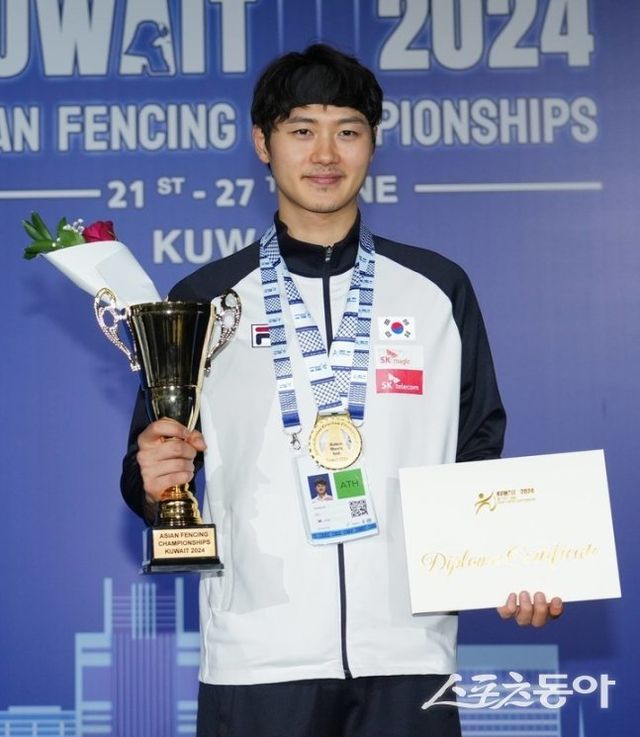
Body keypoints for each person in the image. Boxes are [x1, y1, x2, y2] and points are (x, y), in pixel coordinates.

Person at [121, 44, 563, 737]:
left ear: (373, 143)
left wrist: (508, 564)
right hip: (257, 658)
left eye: (347, 130)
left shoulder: (437, 290)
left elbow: (477, 453)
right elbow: (151, 474)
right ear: (262, 143)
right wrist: (155, 480)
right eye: (302, 130)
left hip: (410, 653)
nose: (325, 153)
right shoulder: (205, 301)